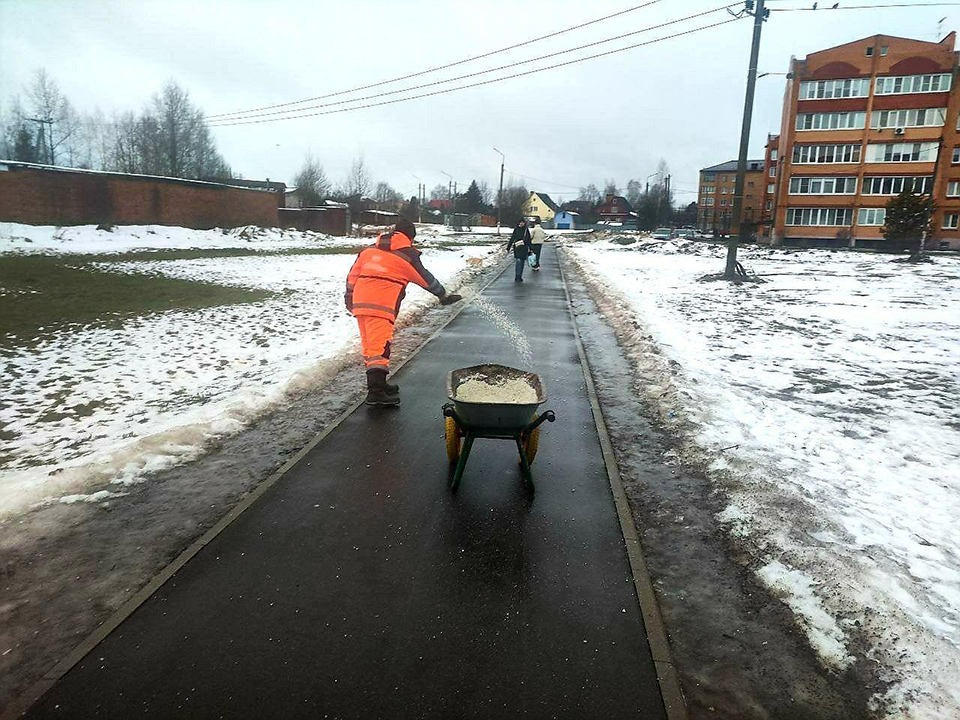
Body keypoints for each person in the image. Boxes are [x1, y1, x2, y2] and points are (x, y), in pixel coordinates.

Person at [345, 216, 462, 406]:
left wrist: (349, 297)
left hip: (360, 302)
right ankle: (375, 393)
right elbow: (425, 278)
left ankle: (380, 385)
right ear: (410, 238)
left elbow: (352, 275)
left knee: (370, 345)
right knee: (379, 348)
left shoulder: (368, 251)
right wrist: (442, 295)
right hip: (381, 305)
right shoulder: (407, 255)